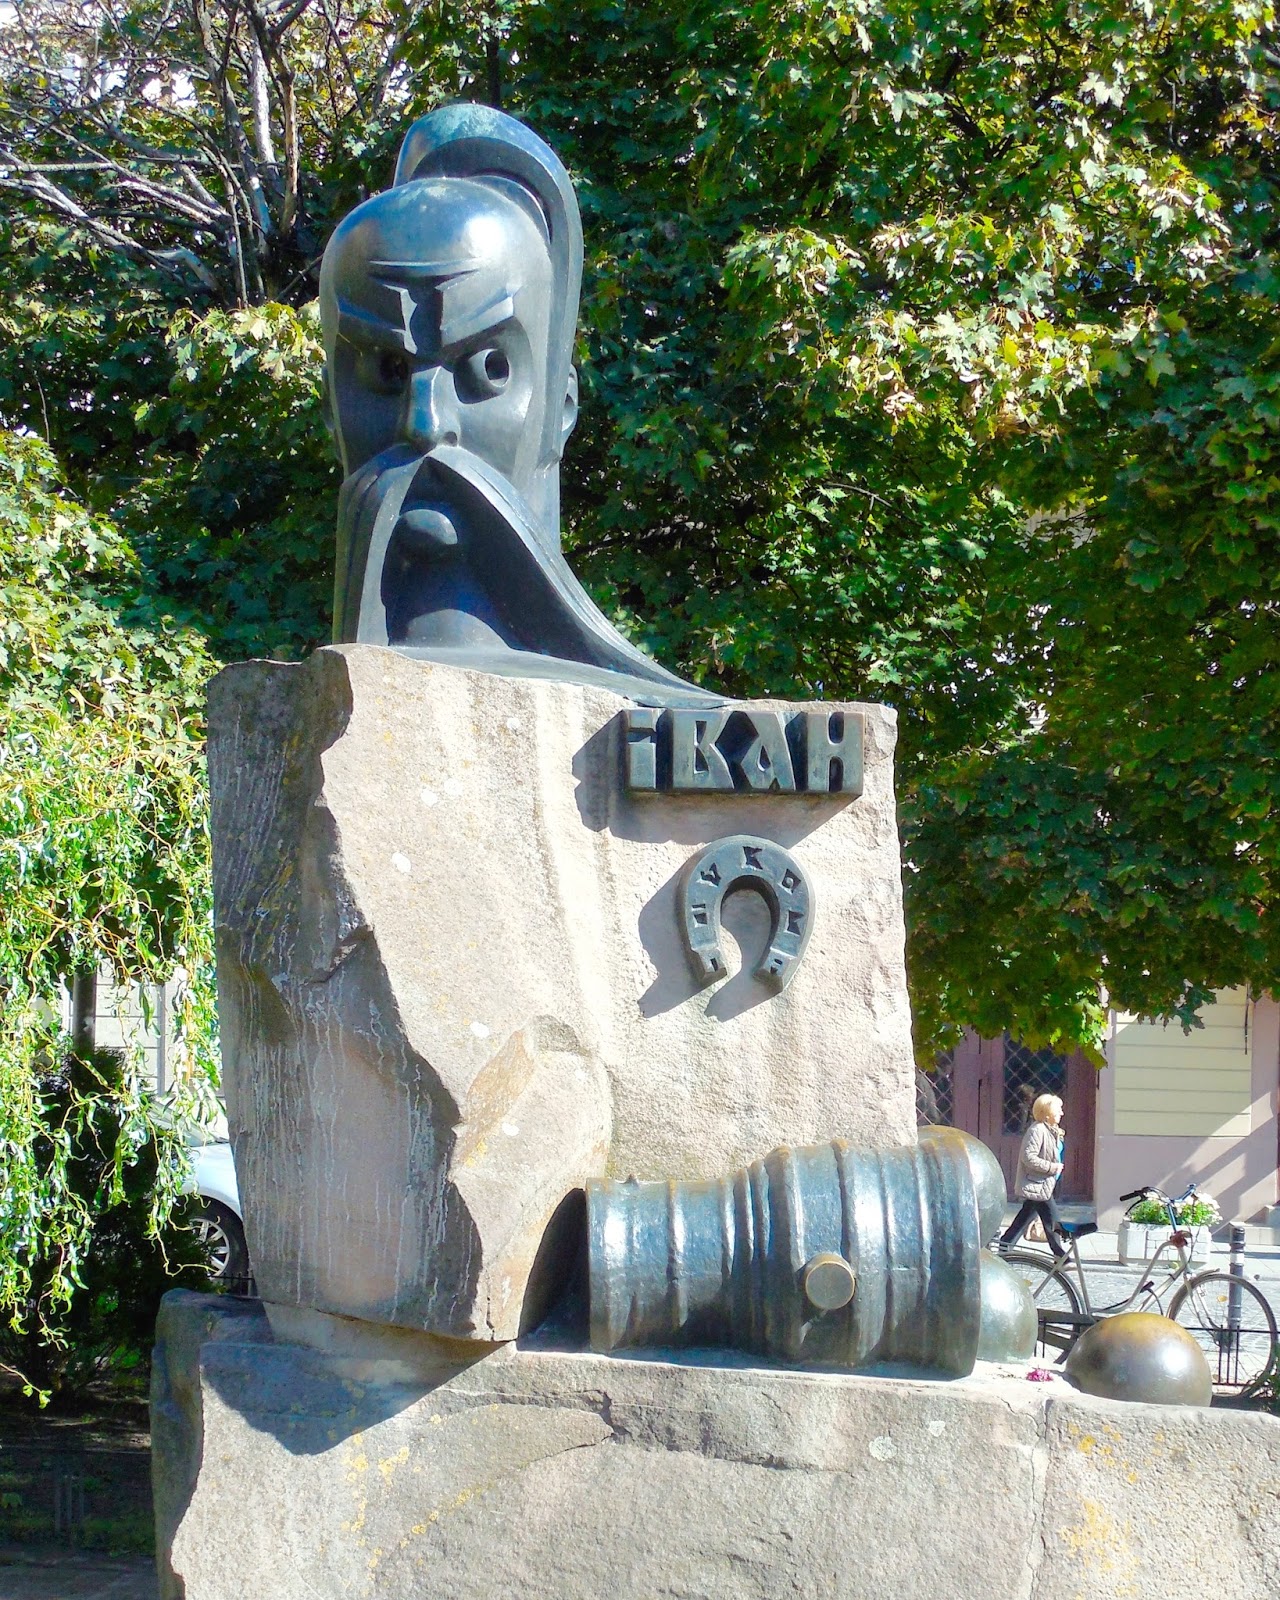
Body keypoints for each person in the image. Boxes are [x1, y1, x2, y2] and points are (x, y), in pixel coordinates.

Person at [998, 1093, 1067, 1257]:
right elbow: (1028, 1157)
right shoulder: (1037, 1130)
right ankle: (1062, 1257)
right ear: (1047, 1112)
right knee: (1052, 1220)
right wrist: (1052, 1167)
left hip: (1045, 1183)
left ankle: (1005, 1245)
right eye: (1058, 1110)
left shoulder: (1052, 1131)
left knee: (1025, 1218)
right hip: (1038, 1184)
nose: (1062, 1113)